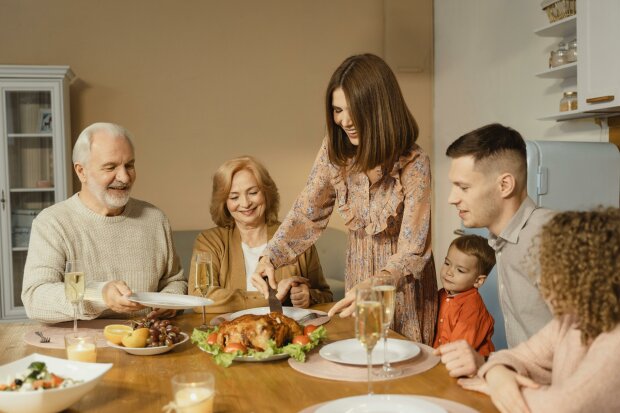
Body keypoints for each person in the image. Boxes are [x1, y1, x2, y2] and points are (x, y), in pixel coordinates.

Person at [251, 53, 437, 343]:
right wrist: (270, 257)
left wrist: (376, 285)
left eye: (354, 111)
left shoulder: (415, 164)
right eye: (338, 110)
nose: (345, 121)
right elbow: (307, 212)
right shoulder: (334, 152)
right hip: (356, 286)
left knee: (402, 372)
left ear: (380, 110)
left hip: (401, 293)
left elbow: (413, 251)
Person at [21, 122, 187, 323]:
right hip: (79, 344)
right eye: (110, 167)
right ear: (81, 171)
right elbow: (35, 297)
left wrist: (169, 302)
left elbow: (175, 281)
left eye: (130, 165)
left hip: (147, 342)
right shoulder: (52, 223)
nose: (124, 177)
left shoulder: (155, 219)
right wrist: (99, 296)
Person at [458, 209, 620, 413]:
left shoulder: (614, 344)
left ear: (586, 277)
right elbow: (516, 357)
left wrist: (495, 387)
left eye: (553, 270)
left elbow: (561, 407)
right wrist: (498, 375)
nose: (543, 282)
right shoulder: (571, 321)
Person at [435, 123, 555, 377]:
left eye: (464, 187)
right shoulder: (499, 241)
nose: (452, 198)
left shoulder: (549, 238)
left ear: (504, 185)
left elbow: (593, 345)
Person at [188, 156, 333, 313]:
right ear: (224, 202)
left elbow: (325, 295)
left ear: (266, 193)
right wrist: (272, 296)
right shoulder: (209, 241)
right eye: (234, 197)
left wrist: (308, 296)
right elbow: (199, 299)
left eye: (253, 192)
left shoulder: (294, 237)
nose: (245, 203)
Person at [433, 234, 495, 357]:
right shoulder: (442, 294)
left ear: (478, 281)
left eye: (460, 270)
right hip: (442, 360)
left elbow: (458, 350)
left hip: (467, 368)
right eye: (447, 263)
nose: (449, 272)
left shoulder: (472, 308)